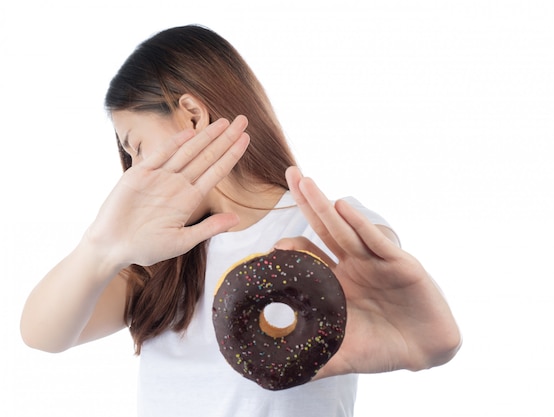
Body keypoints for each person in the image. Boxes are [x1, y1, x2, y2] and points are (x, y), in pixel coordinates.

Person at [20, 25, 461, 417]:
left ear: (192, 115)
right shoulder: (159, 264)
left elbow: (382, 271)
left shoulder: (322, 228)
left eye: (135, 146)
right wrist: (102, 244)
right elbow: (44, 335)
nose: (133, 170)